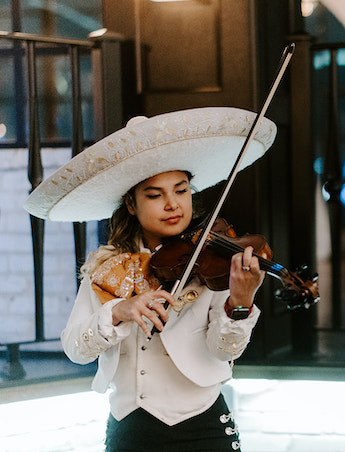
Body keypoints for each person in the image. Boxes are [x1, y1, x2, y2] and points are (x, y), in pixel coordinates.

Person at [24, 107, 277, 451]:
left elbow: (223, 350)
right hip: (131, 429)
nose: (172, 204)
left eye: (181, 190)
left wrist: (241, 302)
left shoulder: (214, 263)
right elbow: (75, 349)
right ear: (131, 203)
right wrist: (118, 311)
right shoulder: (107, 269)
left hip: (203, 426)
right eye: (155, 195)